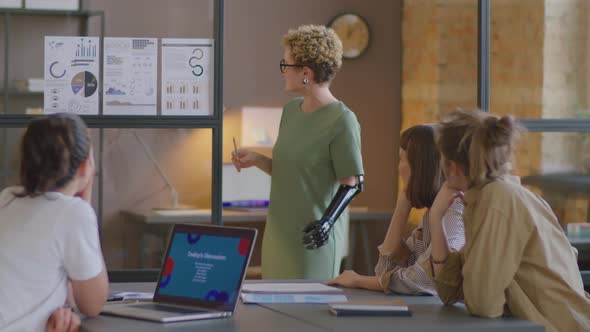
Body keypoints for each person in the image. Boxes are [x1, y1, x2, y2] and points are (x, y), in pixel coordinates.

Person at [428, 110, 590, 331]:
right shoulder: (485, 198)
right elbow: (449, 293)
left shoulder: (498, 200)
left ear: (453, 167)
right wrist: (435, 218)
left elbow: (483, 304)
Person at [231, 24, 364, 279]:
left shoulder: (342, 120)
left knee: (307, 313)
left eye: (286, 65)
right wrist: (258, 159)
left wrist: (326, 223)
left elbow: (353, 183)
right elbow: (291, 171)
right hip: (279, 235)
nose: (283, 72)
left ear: (306, 72)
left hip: (312, 238)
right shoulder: (291, 111)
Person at [0, 113, 108, 332]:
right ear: (85, 166)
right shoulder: (73, 214)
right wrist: (85, 201)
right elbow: (92, 304)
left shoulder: (7, 198)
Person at [328, 125, 465, 295]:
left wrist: (358, 280)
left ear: (420, 166)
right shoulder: (430, 218)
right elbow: (382, 272)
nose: (398, 168)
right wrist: (402, 206)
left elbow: (423, 280)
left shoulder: (456, 210)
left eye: (402, 159)